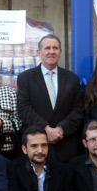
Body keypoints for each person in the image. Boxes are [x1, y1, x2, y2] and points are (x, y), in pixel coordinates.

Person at [17, 34, 84, 163]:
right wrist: (46, 130)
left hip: (65, 146)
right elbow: (24, 109)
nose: (51, 52)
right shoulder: (25, 78)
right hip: (36, 145)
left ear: (60, 52)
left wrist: (60, 130)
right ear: (39, 52)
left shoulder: (72, 79)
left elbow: (78, 110)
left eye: (55, 48)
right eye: (47, 48)